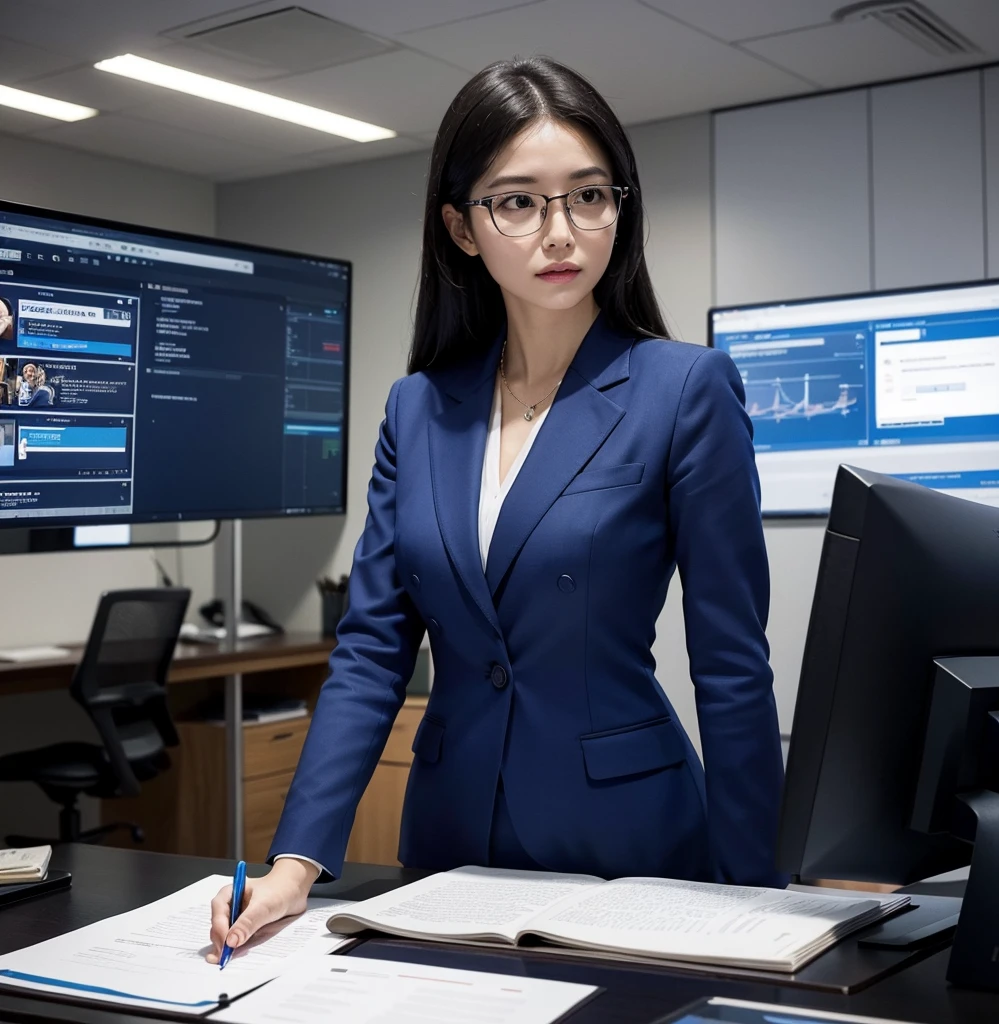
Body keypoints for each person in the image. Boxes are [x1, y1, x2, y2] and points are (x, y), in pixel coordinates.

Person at [208, 57, 786, 962]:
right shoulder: (419, 408)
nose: (560, 231)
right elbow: (370, 652)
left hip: (630, 844)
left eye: (588, 195)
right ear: (462, 229)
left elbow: (731, 664)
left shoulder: (685, 390)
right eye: (519, 202)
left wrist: (762, 901)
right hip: (449, 843)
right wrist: (296, 862)